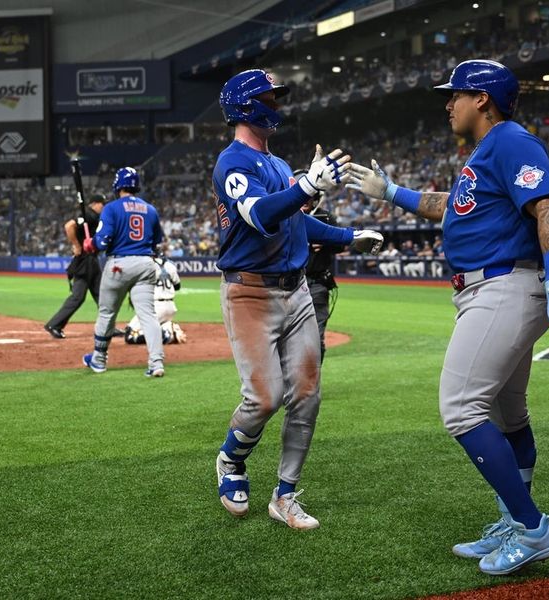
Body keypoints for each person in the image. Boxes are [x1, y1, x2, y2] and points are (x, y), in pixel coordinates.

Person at [347, 59, 549, 575]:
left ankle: (532, 528)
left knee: (460, 407)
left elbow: (547, 209)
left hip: (503, 285)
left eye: (455, 94)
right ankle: (513, 520)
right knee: (508, 416)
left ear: (482, 98)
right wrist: (392, 193)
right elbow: (448, 206)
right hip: (491, 288)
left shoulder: (511, 141)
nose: (447, 103)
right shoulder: (485, 152)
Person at [212, 69, 383, 530]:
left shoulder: (280, 165)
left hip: (298, 290)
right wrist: (307, 187)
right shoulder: (232, 162)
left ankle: (285, 494)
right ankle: (231, 459)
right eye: (269, 97)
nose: (277, 105)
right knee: (264, 399)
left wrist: (348, 236)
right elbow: (261, 216)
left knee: (306, 395)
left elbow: (295, 225)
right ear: (248, 106)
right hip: (250, 291)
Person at [81, 167, 166, 377]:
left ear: (117, 186)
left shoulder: (111, 208)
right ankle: (156, 363)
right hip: (146, 263)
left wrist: (89, 244)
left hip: (119, 264)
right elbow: (157, 241)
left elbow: (102, 241)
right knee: (148, 315)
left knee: (107, 313)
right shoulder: (151, 209)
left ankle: (99, 360)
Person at [295, 168, 343, 363]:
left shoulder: (326, 218)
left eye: (309, 198)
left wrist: (326, 241)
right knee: (290, 337)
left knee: (315, 336)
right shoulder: (288, 217)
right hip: (292, 284)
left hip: (317, 283)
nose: (305, 203)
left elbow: (340, 244)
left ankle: (311, 383)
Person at [44, 193, 106, 339]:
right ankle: (54, 324)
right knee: (78, 297)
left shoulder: (93, 217)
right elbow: (69, 225)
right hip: (85, 261)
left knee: (102, 297)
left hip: (92, 260)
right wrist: (76, 245)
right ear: (95, 204)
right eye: (102, 205)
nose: (103, 208)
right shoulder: (89, 215)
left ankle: (108, 327)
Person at [124, 257, 187, 345]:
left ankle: (165, 335)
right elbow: (177, 286)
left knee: (130, 335)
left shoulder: (145, 266)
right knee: (144, 327)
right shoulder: (169, 265)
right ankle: (167, 327)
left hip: (155, 308)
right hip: (171, 308)